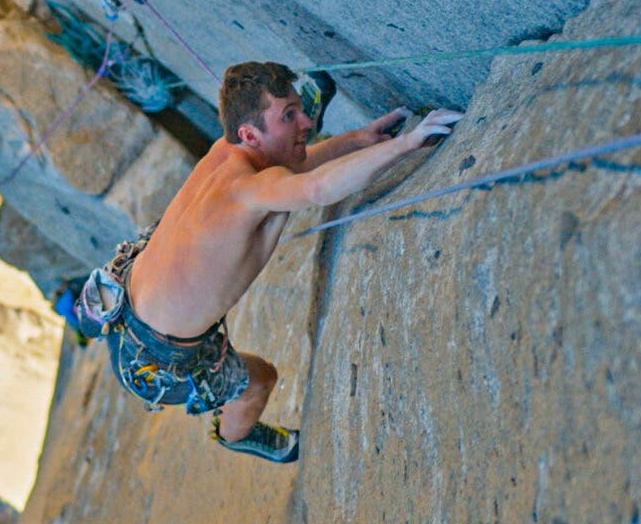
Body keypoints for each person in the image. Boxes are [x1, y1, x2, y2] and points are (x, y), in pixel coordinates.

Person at [71, 61, 461, 463]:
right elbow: (315, 187)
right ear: (248, 133)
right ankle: (235, 434)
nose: (306, 122)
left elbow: (297, 168)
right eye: (290, 116)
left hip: (124, 294)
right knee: (260, 381)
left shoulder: (226, 151)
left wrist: (360, 139)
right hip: (156, 359)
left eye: (298, 111)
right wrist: (404, 145)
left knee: (274, 182)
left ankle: (87, 314)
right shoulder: (245, 190)